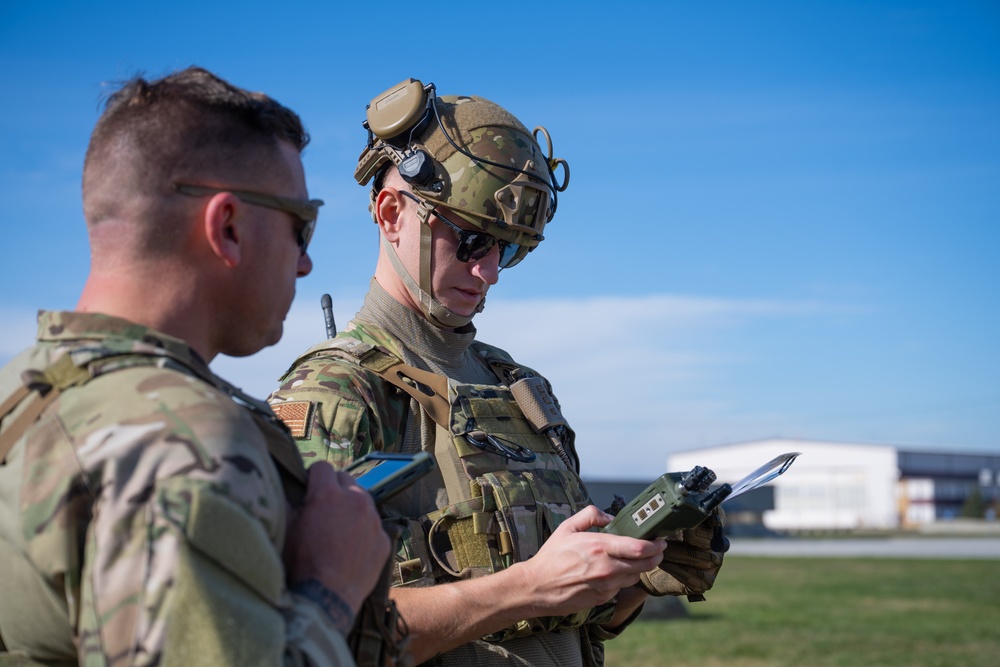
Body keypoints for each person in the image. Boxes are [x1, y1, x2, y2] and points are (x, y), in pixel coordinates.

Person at [268, 78, 724, 666]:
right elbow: (305, 632)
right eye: (473, 239)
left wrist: (642, 573)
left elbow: (570, 624)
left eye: (507, 249)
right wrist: (528, 587)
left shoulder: (520, 388)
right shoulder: (338, 391)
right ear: (390, 214)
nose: (489, 273)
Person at [0, 67, 391, 666]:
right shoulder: (182, 441)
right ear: (228, 226)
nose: (306, 263)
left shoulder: (23, 396)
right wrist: (331, 590)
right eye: (300, 226)